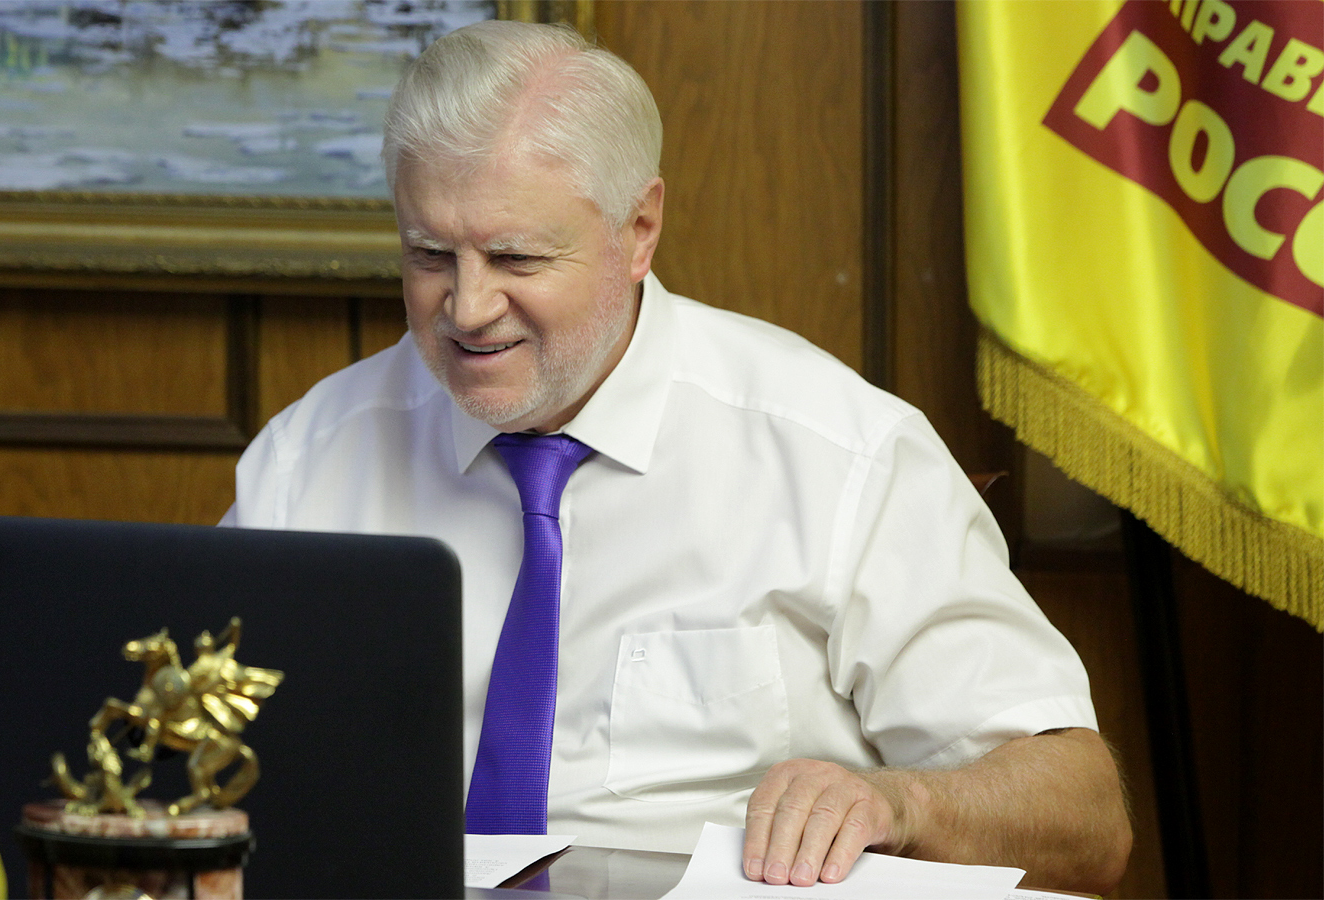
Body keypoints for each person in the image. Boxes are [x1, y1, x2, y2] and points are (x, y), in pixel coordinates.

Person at [222, 19, 1131, 894]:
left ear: (640, 231)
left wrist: (901, 804)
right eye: (429, 254)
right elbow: (177, 755)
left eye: (516, 257)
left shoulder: (836, 451)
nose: (467, 308)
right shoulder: (310, 458)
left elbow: (1085, 818)